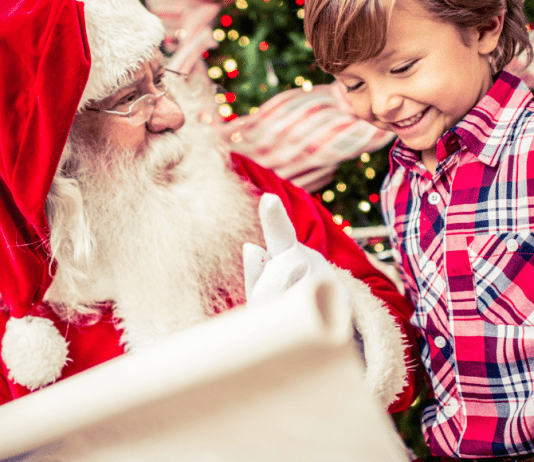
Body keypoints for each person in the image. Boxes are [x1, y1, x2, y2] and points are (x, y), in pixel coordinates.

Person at [0, 0, 423, 417]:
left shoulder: (231, 179)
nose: (172, 114)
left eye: (160, 80)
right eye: (131, 97)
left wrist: (338, 314)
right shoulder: (17, 297)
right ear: (54, 143)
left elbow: (404, 353)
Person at [304, 0, 534, 459]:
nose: (382, 103)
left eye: (403, 68)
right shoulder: (399, 189)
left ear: (485, 29)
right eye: (355, 84)